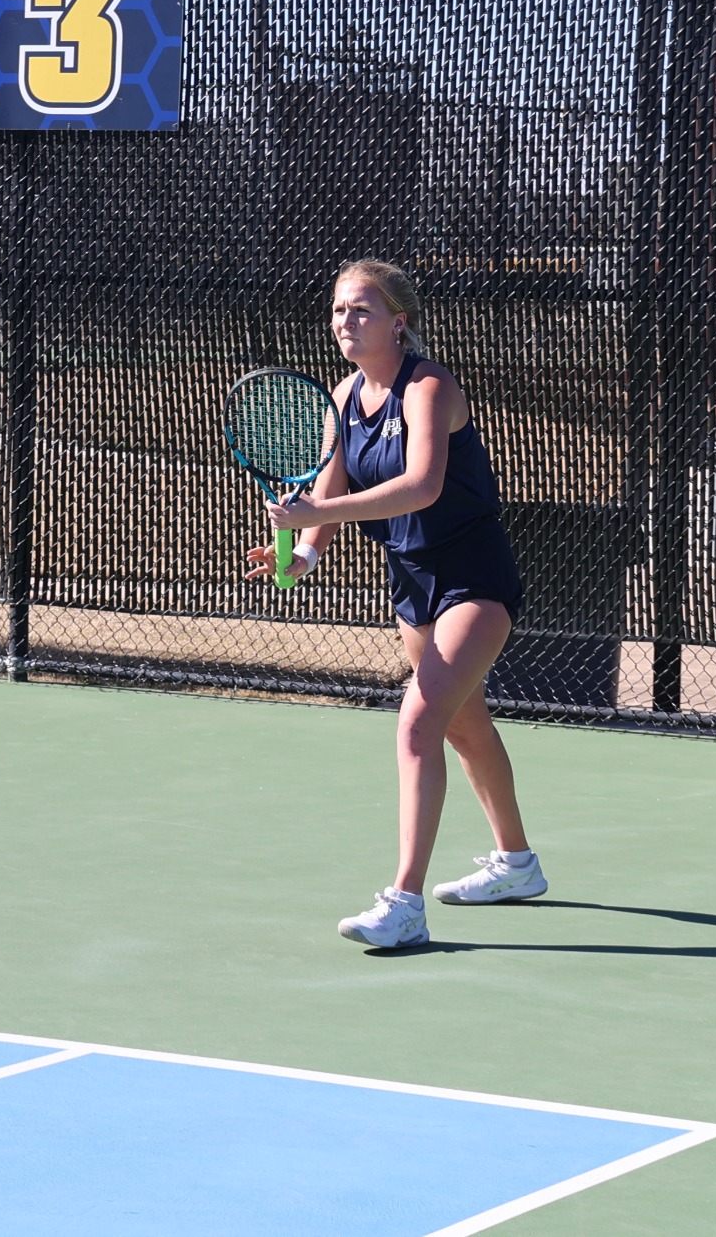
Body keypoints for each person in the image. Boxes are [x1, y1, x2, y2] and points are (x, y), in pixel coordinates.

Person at [246, 260, 541, 949]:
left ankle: (404, 903)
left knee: (416, 725)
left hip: (473, 577)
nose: (345, 322)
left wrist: (320, 509)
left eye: (362, 311)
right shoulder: (344, 396)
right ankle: (518, 863)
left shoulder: (429, 386)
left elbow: (422, 486)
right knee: (464, 728)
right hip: (411, 582)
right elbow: (327, 492)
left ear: (398, 322)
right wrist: (307, 550)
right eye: (339, 310)